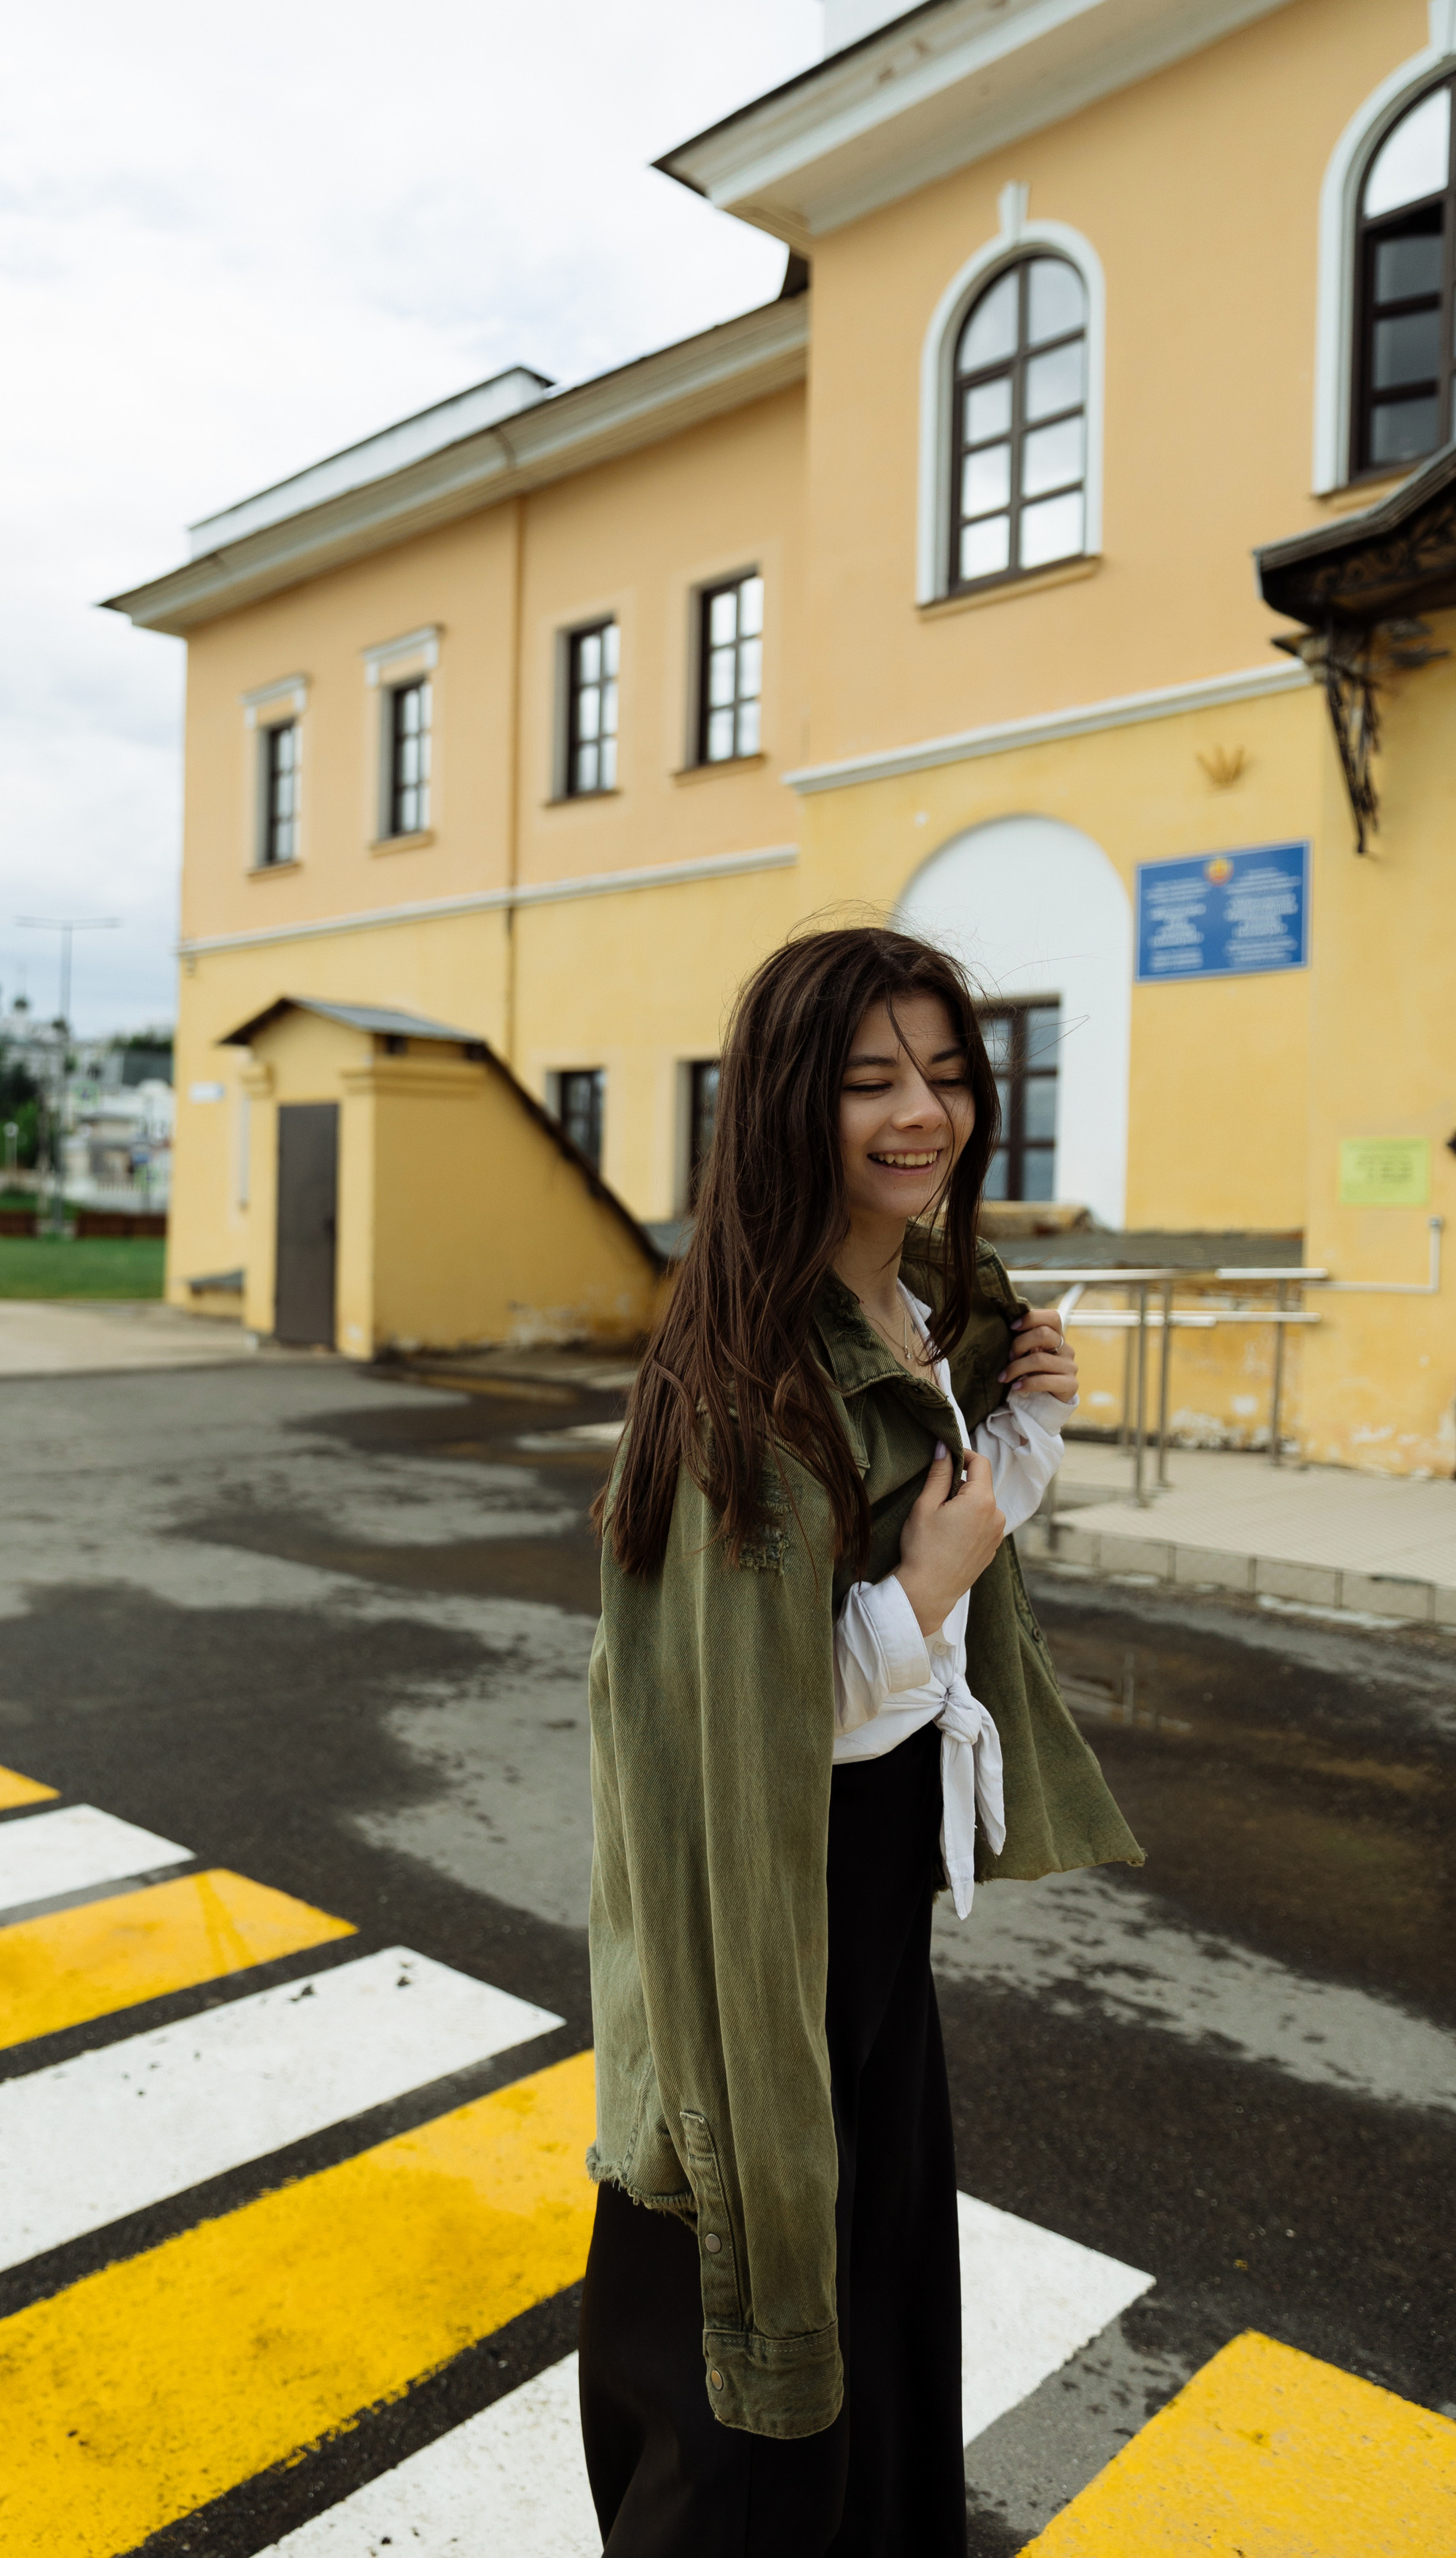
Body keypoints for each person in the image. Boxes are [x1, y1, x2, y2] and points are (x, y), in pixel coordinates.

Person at [579, 926, 1142, 2557]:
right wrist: (925, 1584)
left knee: (875, 2293)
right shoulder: (743, 1388)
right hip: (766, 1921)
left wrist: (1020, 1432)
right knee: (748, 2324)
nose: (923, 1114)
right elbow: (739, 1744)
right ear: (784, 1103)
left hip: (872, 1889)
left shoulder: (911, 1310)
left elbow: (941, 1561)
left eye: (949, 1075)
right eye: (870, 1081)